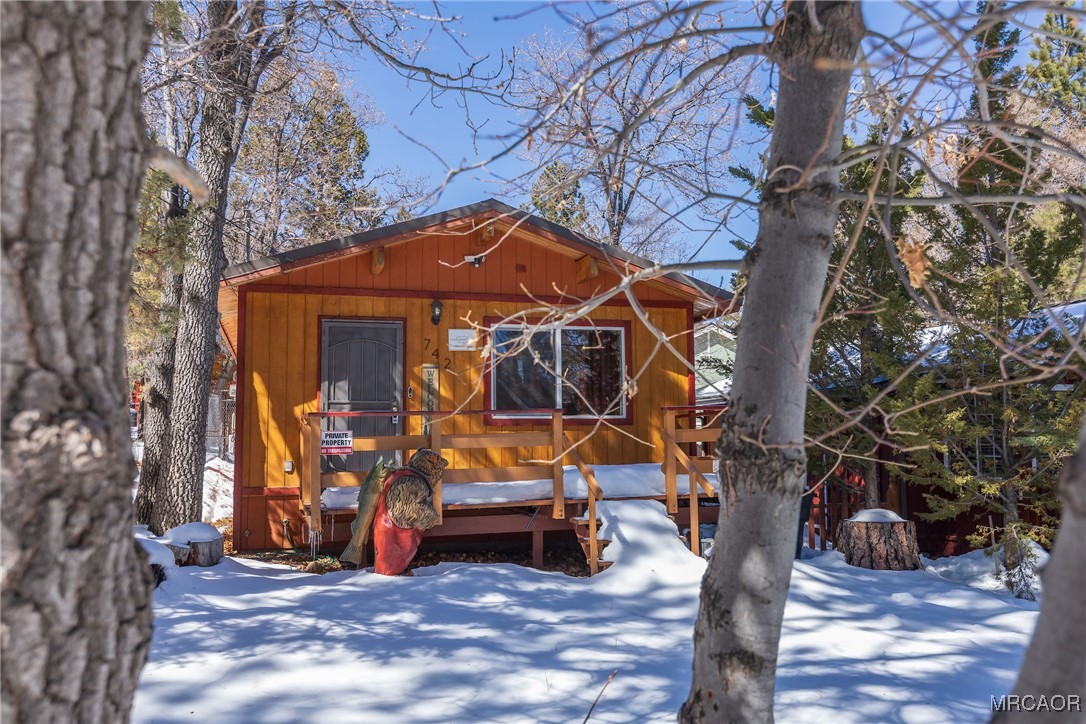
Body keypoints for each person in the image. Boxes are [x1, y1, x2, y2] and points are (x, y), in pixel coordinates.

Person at [372, 449, 447, 575]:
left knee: (389, 561)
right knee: (390, 565)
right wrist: (431, 516)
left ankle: (391, 574)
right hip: (395, 534)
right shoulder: (414, 482)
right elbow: (412, 509)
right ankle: (390, 577)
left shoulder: (399, 475)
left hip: (387, 526)